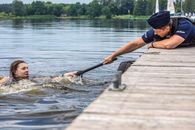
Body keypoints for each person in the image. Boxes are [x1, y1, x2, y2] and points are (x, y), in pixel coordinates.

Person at [103, 11, 195, 64]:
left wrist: (153, 44)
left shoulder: (184, 25)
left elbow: (170, 45)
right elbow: (135, 44)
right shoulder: (156, 31)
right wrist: (113, 56)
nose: (154, 32)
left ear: (167, 27)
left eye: (157, 29)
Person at [0, 60, 77, 85]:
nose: (27, 70)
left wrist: (64, 75)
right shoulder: (7, 80)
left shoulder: (32, 78)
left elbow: (49, 78)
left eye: (27, 68)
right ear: (15, 71)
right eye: (23, 68)